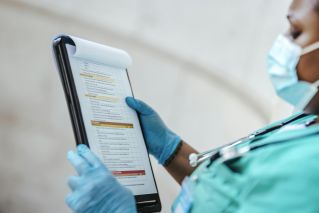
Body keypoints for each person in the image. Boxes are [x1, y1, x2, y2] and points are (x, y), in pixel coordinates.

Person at [65, 0, 319, 212]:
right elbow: (231, 197)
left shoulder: (312, 169)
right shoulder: (305, 119)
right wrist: (172, 150)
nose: (284, 43)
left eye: (295, 31)